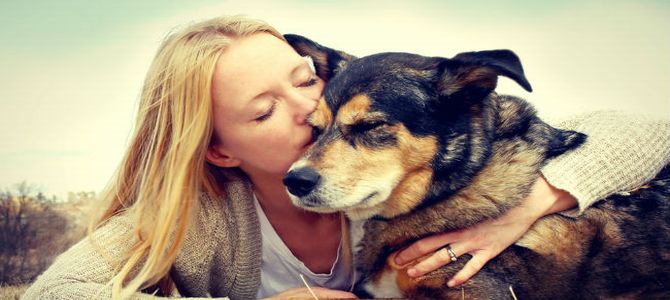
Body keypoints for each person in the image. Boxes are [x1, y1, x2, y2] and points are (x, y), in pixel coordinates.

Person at [22, 15, 670, 299]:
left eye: (302, 80)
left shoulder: (395, 174)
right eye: (262, 110)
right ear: (219, 148)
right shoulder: (201, 220)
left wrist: (534, 200)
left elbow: (639, 133)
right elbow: (55, 295)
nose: (309, 111)